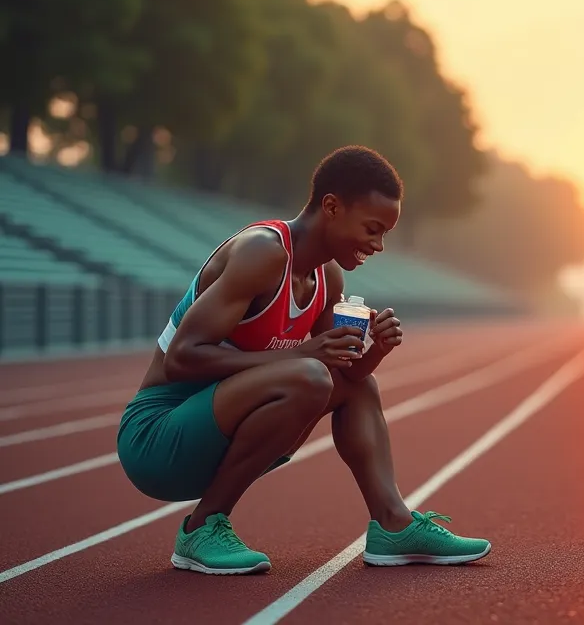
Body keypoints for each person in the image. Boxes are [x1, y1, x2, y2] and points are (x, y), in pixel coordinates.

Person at [117, 146, 491, 575]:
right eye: (373, 229)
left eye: (385, 233)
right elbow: (181, 359)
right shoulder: (263, 252)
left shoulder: (327, 277)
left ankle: (393, 523)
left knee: (355, 385)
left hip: (219, 432)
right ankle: (201, 529)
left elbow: (344, 376)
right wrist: (299, 355)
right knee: (309, 376)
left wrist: (376, 351)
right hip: (158, 439)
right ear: (331, 206)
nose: (379, 245)